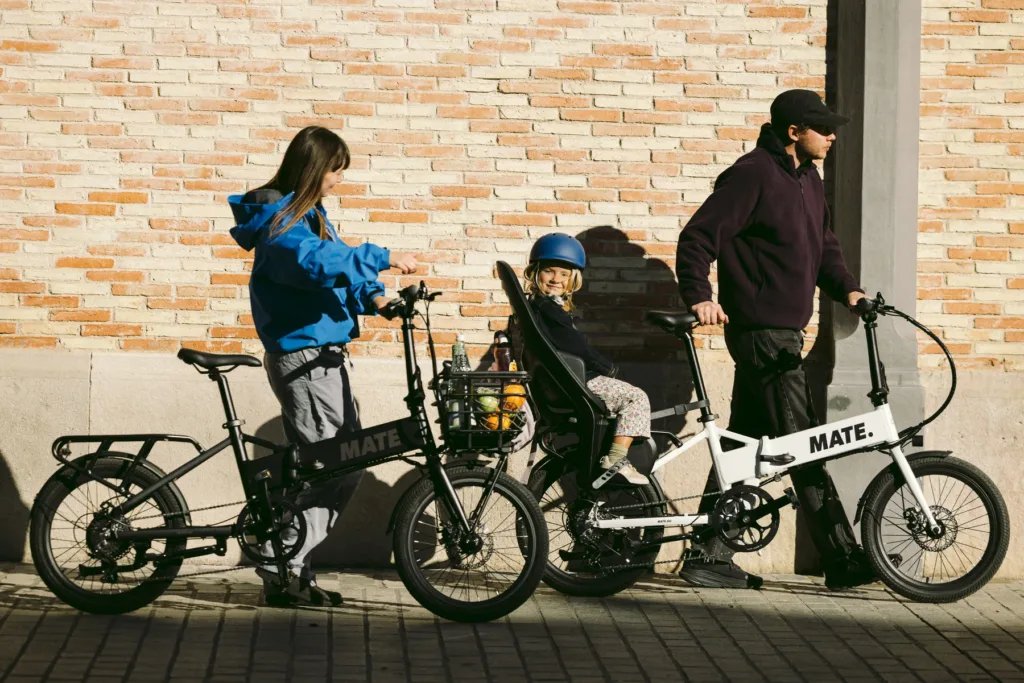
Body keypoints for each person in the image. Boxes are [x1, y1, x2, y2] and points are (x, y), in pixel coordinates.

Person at [675, 89, 876, 591]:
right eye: (823, 128)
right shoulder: (752, 174)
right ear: (793, 132)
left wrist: (847, 289)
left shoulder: (809, 180)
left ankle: (708, 555)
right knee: (804, 444)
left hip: (788, 333)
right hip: (760, 333)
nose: (832, 136)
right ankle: (842, 559)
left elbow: (824, 247)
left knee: (742, 447)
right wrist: (700, 295)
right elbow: (698, 236)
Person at [228, 126, 419, 606]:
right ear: (316, 167)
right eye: (336, 170)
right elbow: (314, 265)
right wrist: (384, 257)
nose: (338, 180)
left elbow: (331, 278)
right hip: (306, 359)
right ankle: (280, 567)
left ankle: (291, 567)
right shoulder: (281, 221)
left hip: (324, 358)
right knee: (330, 467)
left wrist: (375, 297)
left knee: (337, 464)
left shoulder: (310, 217)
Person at [523, 233, 651, 485]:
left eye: (563, 274)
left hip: (560, 380)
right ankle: (616, 458)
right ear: (536, 272)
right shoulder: (548, 309)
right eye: (549, 271)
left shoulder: (538, 306)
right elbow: (575, 345)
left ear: (573, 279)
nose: (556, 279)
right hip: (573, 380)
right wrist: (606, 367)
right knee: (636, 397)